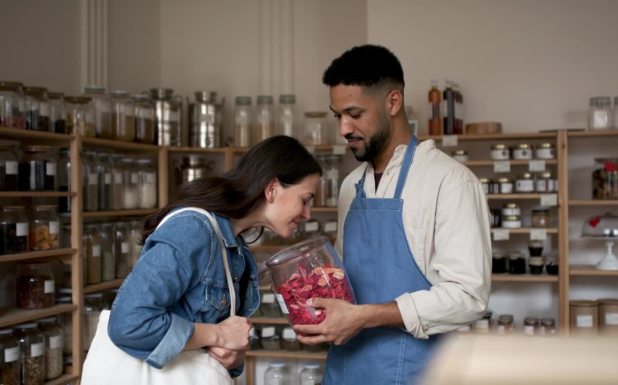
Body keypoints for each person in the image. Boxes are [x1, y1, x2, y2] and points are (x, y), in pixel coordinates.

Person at [293, 45, 492, 385]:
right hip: (344, 371)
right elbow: (349, 282)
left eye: (355, 113)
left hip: (416, 373)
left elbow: (468, 297)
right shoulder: (351, 186)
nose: (343, 128)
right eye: (337, 115)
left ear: (393, 102)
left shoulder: (450, 182)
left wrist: (364, 317)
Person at [81, 135, 322, 385]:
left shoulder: (234, 247)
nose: (307, 214)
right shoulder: (193, 230)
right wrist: (218, 335)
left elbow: (214, 343)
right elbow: (129, 323)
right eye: (304, 200)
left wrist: (232, 356)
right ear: (272, 189)